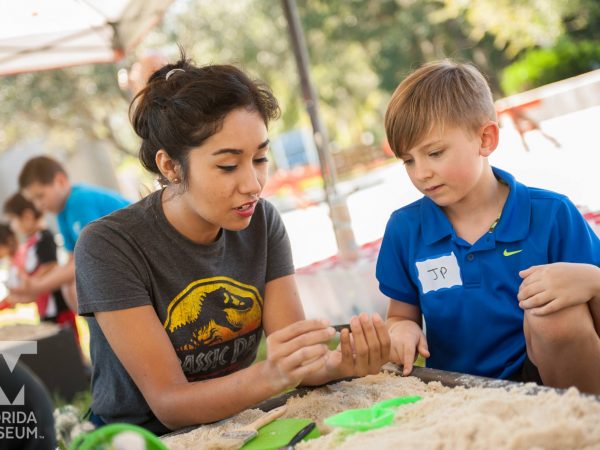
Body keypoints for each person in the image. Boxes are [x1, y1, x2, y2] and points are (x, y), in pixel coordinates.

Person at [74, 54, 390, 434]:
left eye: (260, 158)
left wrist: (343, 363)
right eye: (228, 166)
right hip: (143, 437)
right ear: (170, 167)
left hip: (238, 424)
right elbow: (169, 403)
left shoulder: (262, 221)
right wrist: (271, 375)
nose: (253, 184)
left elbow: (297, 359)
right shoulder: (109, 245)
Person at [376, 59, 600, 394]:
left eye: (434, 153)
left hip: (549, 383)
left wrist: (590, 280)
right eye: (408, 160)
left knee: (554, 314)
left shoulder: (553, 214)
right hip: (458, 391)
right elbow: (400, 316)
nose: (420, 172)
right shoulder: (405, 230)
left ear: (486, 139)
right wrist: (401, 330)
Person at [11, 156, 130, 311]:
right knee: (70, 286)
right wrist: (34, 285)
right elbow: (72, 261)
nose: (38, 205)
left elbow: (86, 259)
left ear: (60, 181)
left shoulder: (78, 200)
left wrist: (37, 286)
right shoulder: (62, 213)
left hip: (139, 249)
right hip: (120, 257)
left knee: (75, 286)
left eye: (40, 196)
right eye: (33, 200)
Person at [1, 193, 76, 332]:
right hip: (44, 307)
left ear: (27, 217)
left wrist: (28, 283)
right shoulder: (31, 242)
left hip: (57, 307)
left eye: (13, 221)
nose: (13, 227)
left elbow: (49, 267)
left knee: (68, 347)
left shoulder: (44, 238)